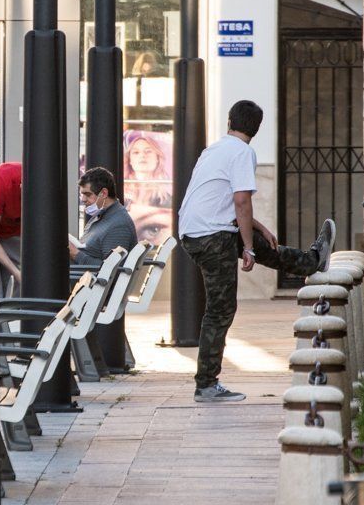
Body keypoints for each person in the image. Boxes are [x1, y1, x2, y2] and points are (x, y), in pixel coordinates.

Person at [178, 100, 335, 403]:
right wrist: (247, 246)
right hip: (213, 235)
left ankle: (312, 261)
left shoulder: (215, 150)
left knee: (265, 248)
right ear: (258, 128)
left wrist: (257, 231)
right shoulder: (243, 153)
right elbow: (240, 202)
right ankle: (206, 384)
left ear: (229, 121)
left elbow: (225, 200)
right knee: (221, 308)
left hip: (199, 230)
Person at [69, 167, 137, 265]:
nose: (83, 199)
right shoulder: (102, 216)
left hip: (81, 278)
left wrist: (75, 254)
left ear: (104, 193)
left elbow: (110, 271)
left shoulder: (118, 225)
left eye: (87, 194)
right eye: (82, 194)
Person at [0, 162, 23, 298]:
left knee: (24, 276)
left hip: (14, 232)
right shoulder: (1, 182)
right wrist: (16, 272)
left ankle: (15, 314)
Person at [123, 131, 171, 208]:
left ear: (157, 158)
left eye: (148, 151)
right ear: (130, 160)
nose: (142, 155)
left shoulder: (167, 200)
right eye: (136, 152)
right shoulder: (119, 194)